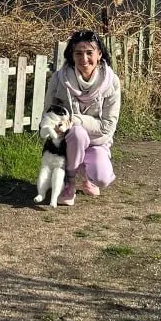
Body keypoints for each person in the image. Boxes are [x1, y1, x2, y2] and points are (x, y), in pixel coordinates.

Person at [40, 29, 121, 207]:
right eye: (78, 53)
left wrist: (75, 120)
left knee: (102, 179)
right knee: (77, 133)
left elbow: (107, 126)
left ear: (99, 54)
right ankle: (69, 183)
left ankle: (88, 175)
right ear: (71, 55)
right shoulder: (59, 79)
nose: (84, 59)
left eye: (89, 53)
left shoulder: (112, 82)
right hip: (68, 142)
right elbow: (47, 113)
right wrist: (54, 126)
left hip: (97, 141)